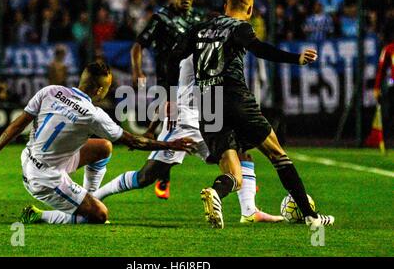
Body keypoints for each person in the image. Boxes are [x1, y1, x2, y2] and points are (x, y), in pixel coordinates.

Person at [170, 0, 335, 229]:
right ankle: (311, 216)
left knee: (234, 174)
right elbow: (260, 49)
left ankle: (216, 192)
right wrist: (295, 58)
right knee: (278, 155)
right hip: (236, 98)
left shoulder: (199, 29)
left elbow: (173, 56)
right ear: (249, 9)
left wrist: (171, 93)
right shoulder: (240, 27)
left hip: (208, 104)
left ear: (225, 5)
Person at [0, 62, 195, 225]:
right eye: (107, 88)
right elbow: (133, 141)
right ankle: (39, 215)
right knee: (99, 216)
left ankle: (89, 196)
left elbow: (16, 125)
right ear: (100, 90)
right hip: (45, 179)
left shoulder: (50, 91)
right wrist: (170, 145)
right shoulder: (93, 114)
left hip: (30, 160)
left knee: (103, 147)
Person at [92, 55, 284, 224]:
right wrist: (152, 129)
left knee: (242, 157)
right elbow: (169, 92)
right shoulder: (192, 58)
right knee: (145, 177)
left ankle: (250, 211)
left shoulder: (214, 56)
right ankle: (96, 196)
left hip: (208, 120)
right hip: (183, 123)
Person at [130, 0, 203, 199]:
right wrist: (137, 71)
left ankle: (239, 172)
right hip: (169, 80)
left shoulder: (197, 19)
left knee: (181, 129)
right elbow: (138, 45)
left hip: (193, 82)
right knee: (172, 127)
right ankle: (159, 172)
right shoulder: (161, 18)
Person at [374, 34, 394, 141]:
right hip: (392, 86)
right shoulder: (389, 49)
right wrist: (377, 88)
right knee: (388, 113)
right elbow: (381, 70)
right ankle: (387, 138)